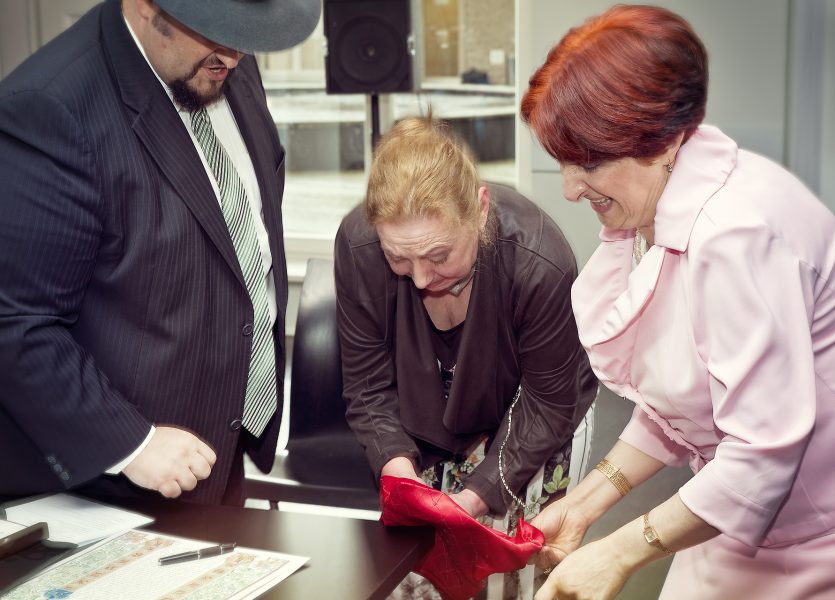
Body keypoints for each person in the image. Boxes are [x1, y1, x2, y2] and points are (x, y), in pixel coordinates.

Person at [520, 5, 835, 600]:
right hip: (728, 514)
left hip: (811, 537)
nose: (568, 188)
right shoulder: (663, 205)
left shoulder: (736, 234)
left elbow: (762, 453)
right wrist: (587, 504)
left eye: (588, 163)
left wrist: (618, 551)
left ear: (660, 139)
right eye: (563, 162)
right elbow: (686, 404)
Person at [0, 0, 321, 505]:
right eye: (217, 31)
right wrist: (133, 444)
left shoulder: (223, 57)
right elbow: (16, 322)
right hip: (118, 483)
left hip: (222, 448)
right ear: (144, 5)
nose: (234, 55)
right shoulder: (50, 107)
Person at [334, 115, 597, 599]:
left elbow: (547, 400)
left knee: (517, 582)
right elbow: (368, 383)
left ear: (479, 209)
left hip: (534, 418)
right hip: (421, 420)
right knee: (420, 575)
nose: (417, 278)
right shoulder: (358, 246)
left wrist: (476, 496)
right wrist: (398, 474)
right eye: (398, 259)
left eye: (438, 256)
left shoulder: (540, 259)